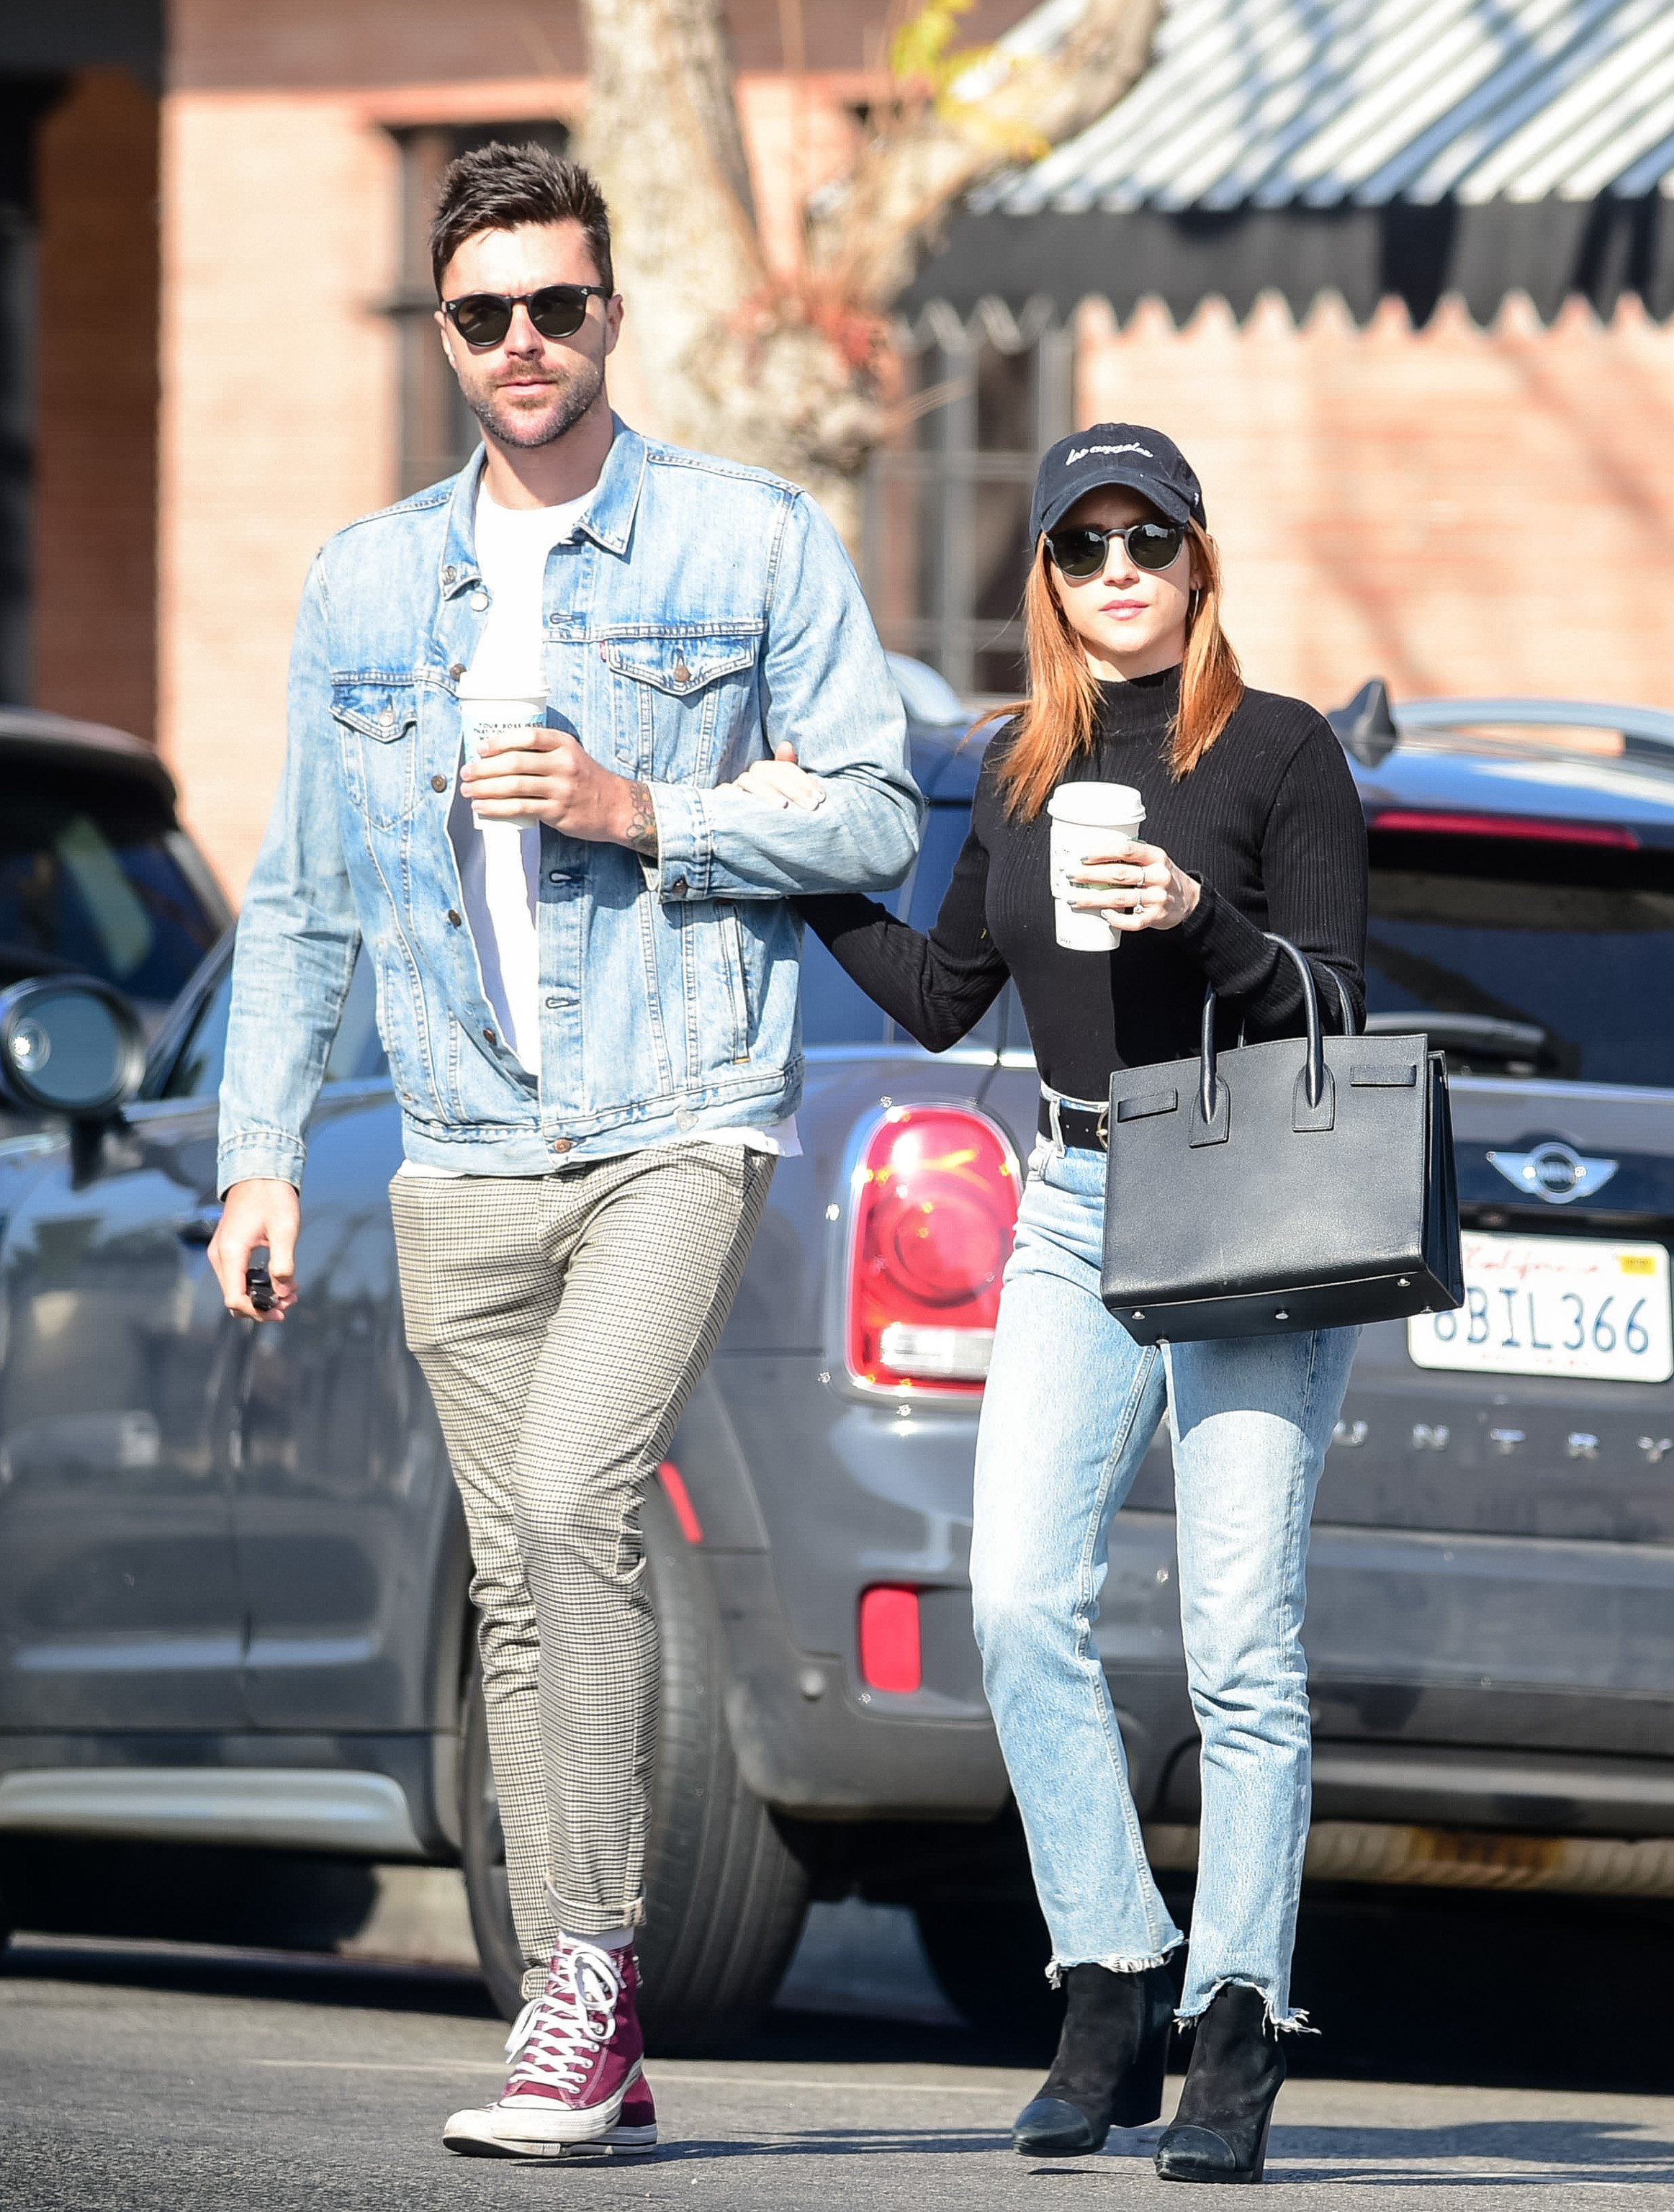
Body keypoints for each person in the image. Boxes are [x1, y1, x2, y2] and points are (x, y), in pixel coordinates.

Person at [207, 143, 921, 2160]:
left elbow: (872, 808)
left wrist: (642, 806)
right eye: (482, 313)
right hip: (455, 1136)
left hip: (673, 1113)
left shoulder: (747, 540)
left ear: (612, 314)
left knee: (571, 1490)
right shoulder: (364, 580)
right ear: (441, 331)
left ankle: (583, 1984)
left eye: (558, 305)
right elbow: (302, 898)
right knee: (523, 1569)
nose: (523, 343)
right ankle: (580, 2019)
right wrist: (259, 1154)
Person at [752, 424, 1367, 2184]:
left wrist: (1193, 914)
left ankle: (1234, 2019)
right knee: (1018, 1600)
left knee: (1240, 1645)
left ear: (1196, 560)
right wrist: (794, 869)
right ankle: (1106, 1971)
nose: (1116, 571)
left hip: (1248, 1209)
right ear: (1045, 573)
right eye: (1082, 544)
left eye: (1145, 539)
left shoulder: (1275, 751)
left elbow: (1326, 998)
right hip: (1074, 1198)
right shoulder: (1016, 774)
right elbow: (946, 996)